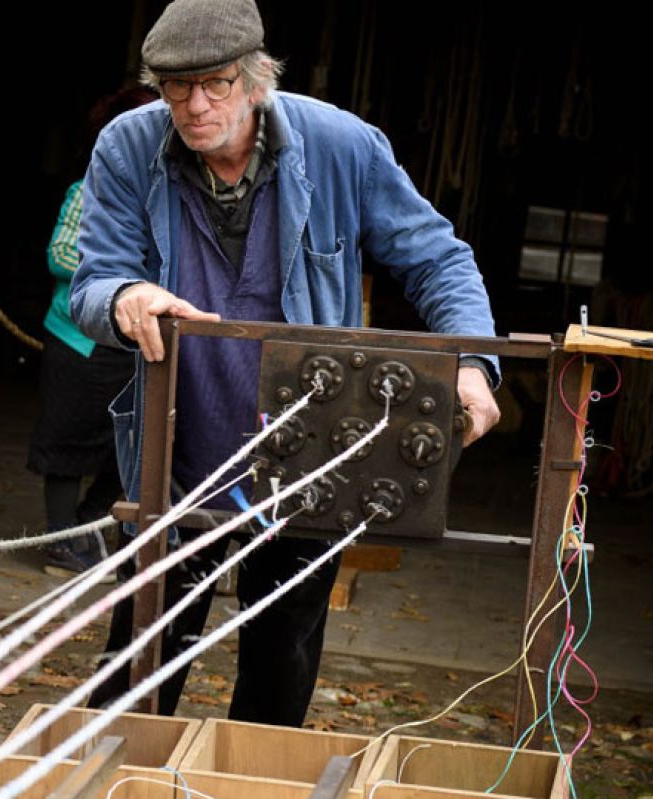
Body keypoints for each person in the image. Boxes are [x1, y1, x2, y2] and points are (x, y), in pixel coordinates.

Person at [71, 0, 501, 725]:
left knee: (281, 660)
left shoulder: (342, 147)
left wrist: (470, 362)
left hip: (306, 460)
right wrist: (125, 297)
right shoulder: (127, 146)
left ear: (256, 78)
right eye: (175, 88)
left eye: (215, 84)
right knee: (138, 659)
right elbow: (90, 284)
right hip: (178, 456)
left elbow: (438, 260)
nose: (194, 105)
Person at [30, 86, 157, 579]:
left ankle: (85, 525)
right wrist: (122, 276)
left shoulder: (166, 196)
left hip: (134, 341)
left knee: (126, 443)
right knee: (66, 442)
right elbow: (58, 255)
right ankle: (60, 540)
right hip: (79, 336)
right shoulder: (87, 190)